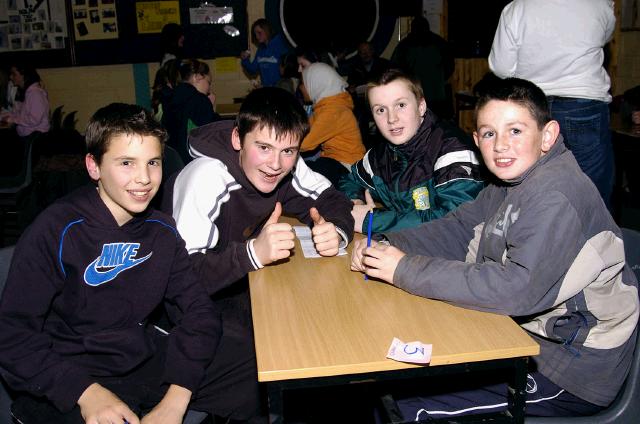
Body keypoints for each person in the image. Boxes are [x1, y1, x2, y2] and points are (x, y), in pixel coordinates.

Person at [351, 78, 639, 420]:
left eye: (515, 131)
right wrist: (389, 244)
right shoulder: (510, 181)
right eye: (489, 133)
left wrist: (403, 268)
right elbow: (457, 229)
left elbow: (516, 289)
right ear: (477, 140)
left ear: (547, 135)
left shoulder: (555, 194)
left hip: (571, 368)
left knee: (406, 407)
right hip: (523, 337)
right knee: (393, 379)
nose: (501, 145)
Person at [0, 103, 255, 423]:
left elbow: (199, 313)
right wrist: (86, 392)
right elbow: (11, 335)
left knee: (250, 365)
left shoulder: (162, 231)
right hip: (69, 370)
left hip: (137, 359)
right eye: (126, 163)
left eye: (153, 162)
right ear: (94, 166)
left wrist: (176, 399)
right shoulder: (56, 229)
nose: (144, 178)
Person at [162, 87, 355, 422]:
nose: (275, 164)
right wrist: (253, 253)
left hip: (233, 284)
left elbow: (331, 197)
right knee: (278, 357)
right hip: (186, 309)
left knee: (316, 322)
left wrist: (335, 229)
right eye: (263, 148)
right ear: (238, 139)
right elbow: (183, 280)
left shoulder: (284, 164)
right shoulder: (205, 177)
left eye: (288, 151)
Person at [488, 0, 616, 209]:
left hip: (533, 103)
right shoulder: (597, 4)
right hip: (582, 101)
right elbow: (605, 35)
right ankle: (596, 238)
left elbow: (501, 68)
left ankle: (537, 235)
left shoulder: (518, 7)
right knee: (592, 185)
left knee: (532, 179)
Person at [339, 69, 483, 234]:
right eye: (380, 110)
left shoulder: (452, 149)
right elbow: (349, 181)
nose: (391, 119)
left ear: (421, 107)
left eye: (400, 105)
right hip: (409, 247)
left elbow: (454, 222)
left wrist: (371, 221)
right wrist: (355, 201)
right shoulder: (381, 154)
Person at [300, 62, 366, 186]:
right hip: (335, 161)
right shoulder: (326, 107)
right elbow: (304, 129)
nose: (301, 88)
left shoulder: (333, 111)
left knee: (306, 174)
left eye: (303, 83)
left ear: (316, 85)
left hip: (348, 166)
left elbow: (304, 143)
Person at [391, 16, 455, 120]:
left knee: (416, 123)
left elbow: (395, 69)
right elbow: (450, 66)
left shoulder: (404, 45)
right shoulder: (440, 43)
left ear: (412, 28)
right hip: (437, 92)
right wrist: (440, 80)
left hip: (414, 92)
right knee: (438, 124)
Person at [161, 58, 220, 164]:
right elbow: (210, 134)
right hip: (191, 162)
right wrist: (211, 108)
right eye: (208, 82)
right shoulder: (199, 100)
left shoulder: (171, 97)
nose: (209, 89)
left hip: (172, 162)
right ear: (197, 77)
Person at [0, 63, 50, 137]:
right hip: (27, 136)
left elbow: (34, 120)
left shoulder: (35, 93)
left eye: (14, 74)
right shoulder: (27, 92)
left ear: (24, 75)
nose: (10, 77)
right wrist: (4, 116)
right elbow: (19, 114)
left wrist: (12, 119)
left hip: (36, 138)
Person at [240, 18, 290, 87]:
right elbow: (253, 70)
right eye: (255, 34)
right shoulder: (261, 50)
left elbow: (288, 70)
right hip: (267, 90)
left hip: (281, 89)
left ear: (267, 30)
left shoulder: (280, 45)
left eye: (259, 33)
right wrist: (245, 60)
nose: (257, 36)